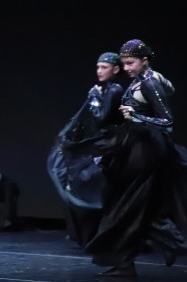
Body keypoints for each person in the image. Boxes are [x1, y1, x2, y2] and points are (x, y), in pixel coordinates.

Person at [84, 39, 187, 277]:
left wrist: (138, 117)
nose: (126, 68)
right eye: (124, 63)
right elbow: (169, 89)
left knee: (128, 207)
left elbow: (168, 122)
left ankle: (135, 257)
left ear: (145, 60)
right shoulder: (141, 80)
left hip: (146, 152)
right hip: (135, 147)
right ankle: (131, 259)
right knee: (130, 206)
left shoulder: (150, 83)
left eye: (130, 63)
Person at [47, 51, 126, 248]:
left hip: (109, 148)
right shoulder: (106, 89)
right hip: (103, 145)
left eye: (104, 67)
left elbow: (102, 119)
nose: (99, 71)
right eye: (98, 67)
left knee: (93, 187)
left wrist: (94, 98)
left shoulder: (114, 90)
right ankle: (87, 235)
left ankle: (105, 236)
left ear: (116, 69)